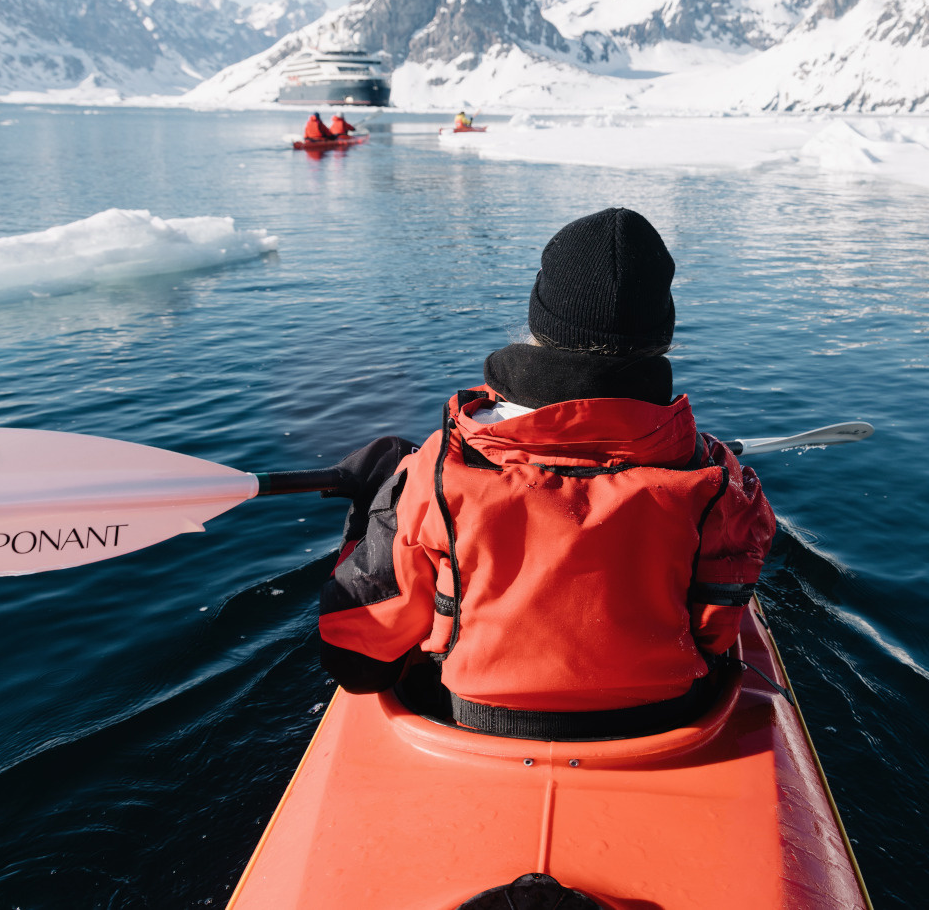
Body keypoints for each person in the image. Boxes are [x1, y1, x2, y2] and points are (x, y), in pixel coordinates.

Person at [314, 208, 775, 738]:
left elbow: (355, 661)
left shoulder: (442, 469)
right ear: (660, 333)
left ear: (541, 321)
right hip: (666, 716)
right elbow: (717, 634)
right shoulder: (715, 477)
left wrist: (373, 505)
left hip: (482, 721)